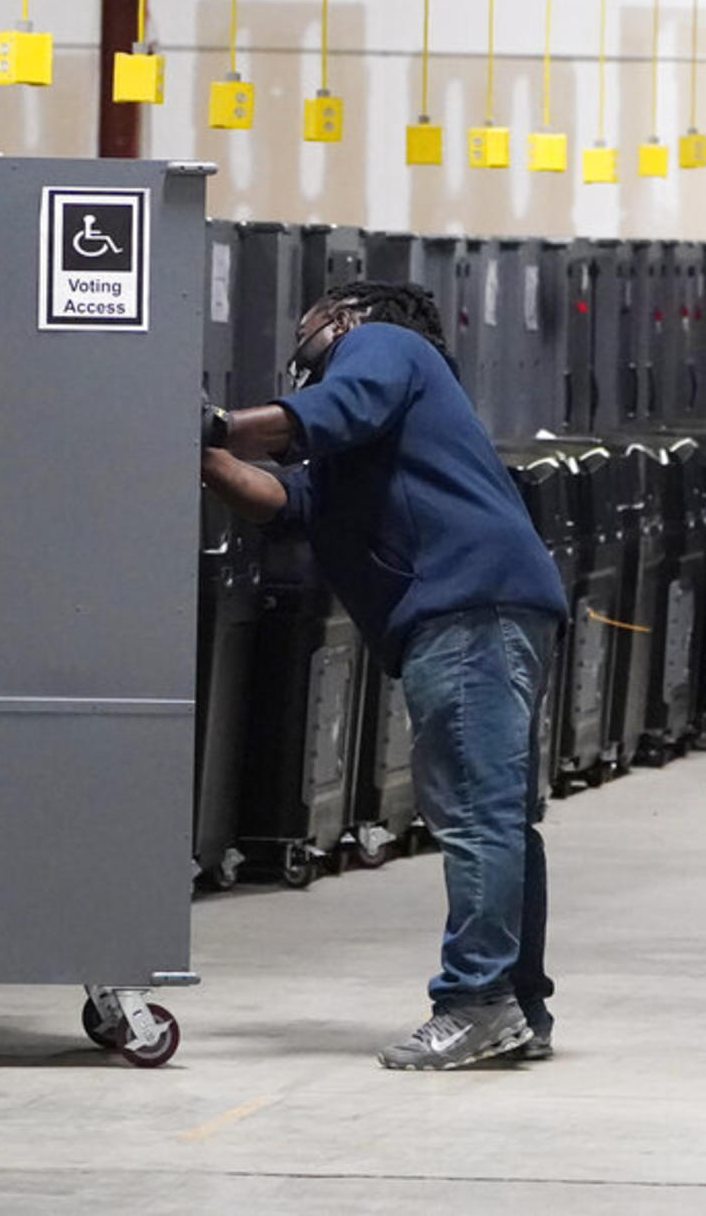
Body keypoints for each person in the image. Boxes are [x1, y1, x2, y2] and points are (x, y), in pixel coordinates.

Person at [200, 280, 568, 1071]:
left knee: (476, 816)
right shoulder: (371, 432)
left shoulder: (383, 348)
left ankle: (476, 1002)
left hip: (470, 609)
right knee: (495, 816)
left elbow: (328, 413)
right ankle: (517, 1005)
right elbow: (285, 501)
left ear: (344, 318)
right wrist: (202, 451)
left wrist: (221, 422)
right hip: (481, 609)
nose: (300, 337)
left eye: (308, 325)